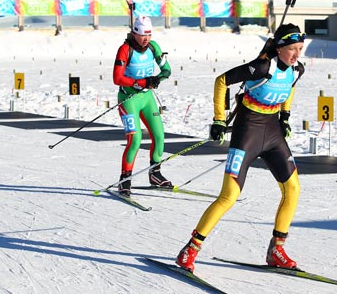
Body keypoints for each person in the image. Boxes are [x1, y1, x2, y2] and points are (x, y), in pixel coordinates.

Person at [176, 23, 306, 272]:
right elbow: (222, 80)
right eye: (292, 49)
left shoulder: (297, 69)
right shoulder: (261, 67)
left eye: (300, 48)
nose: (297, 54)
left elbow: (290, 86)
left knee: (293, 189)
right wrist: (218, 118)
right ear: (279, 48)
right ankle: (189, 251)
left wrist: (286, 115)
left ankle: (276, 250)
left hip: (274, 133)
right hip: (248, 131)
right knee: (229, 196)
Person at [112, 16, 172, 196]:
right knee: (135, 140)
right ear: (134, 33)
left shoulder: (153, 47)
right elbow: (117, 78)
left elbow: (167, 70)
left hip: (147, 99)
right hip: (128, 99)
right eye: (142, 35)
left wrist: (156, 79)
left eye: (149, 34)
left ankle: (155, 174)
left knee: (160, 136)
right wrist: (140, 82)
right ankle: (125, 179)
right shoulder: (125, 49)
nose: (146, 39)